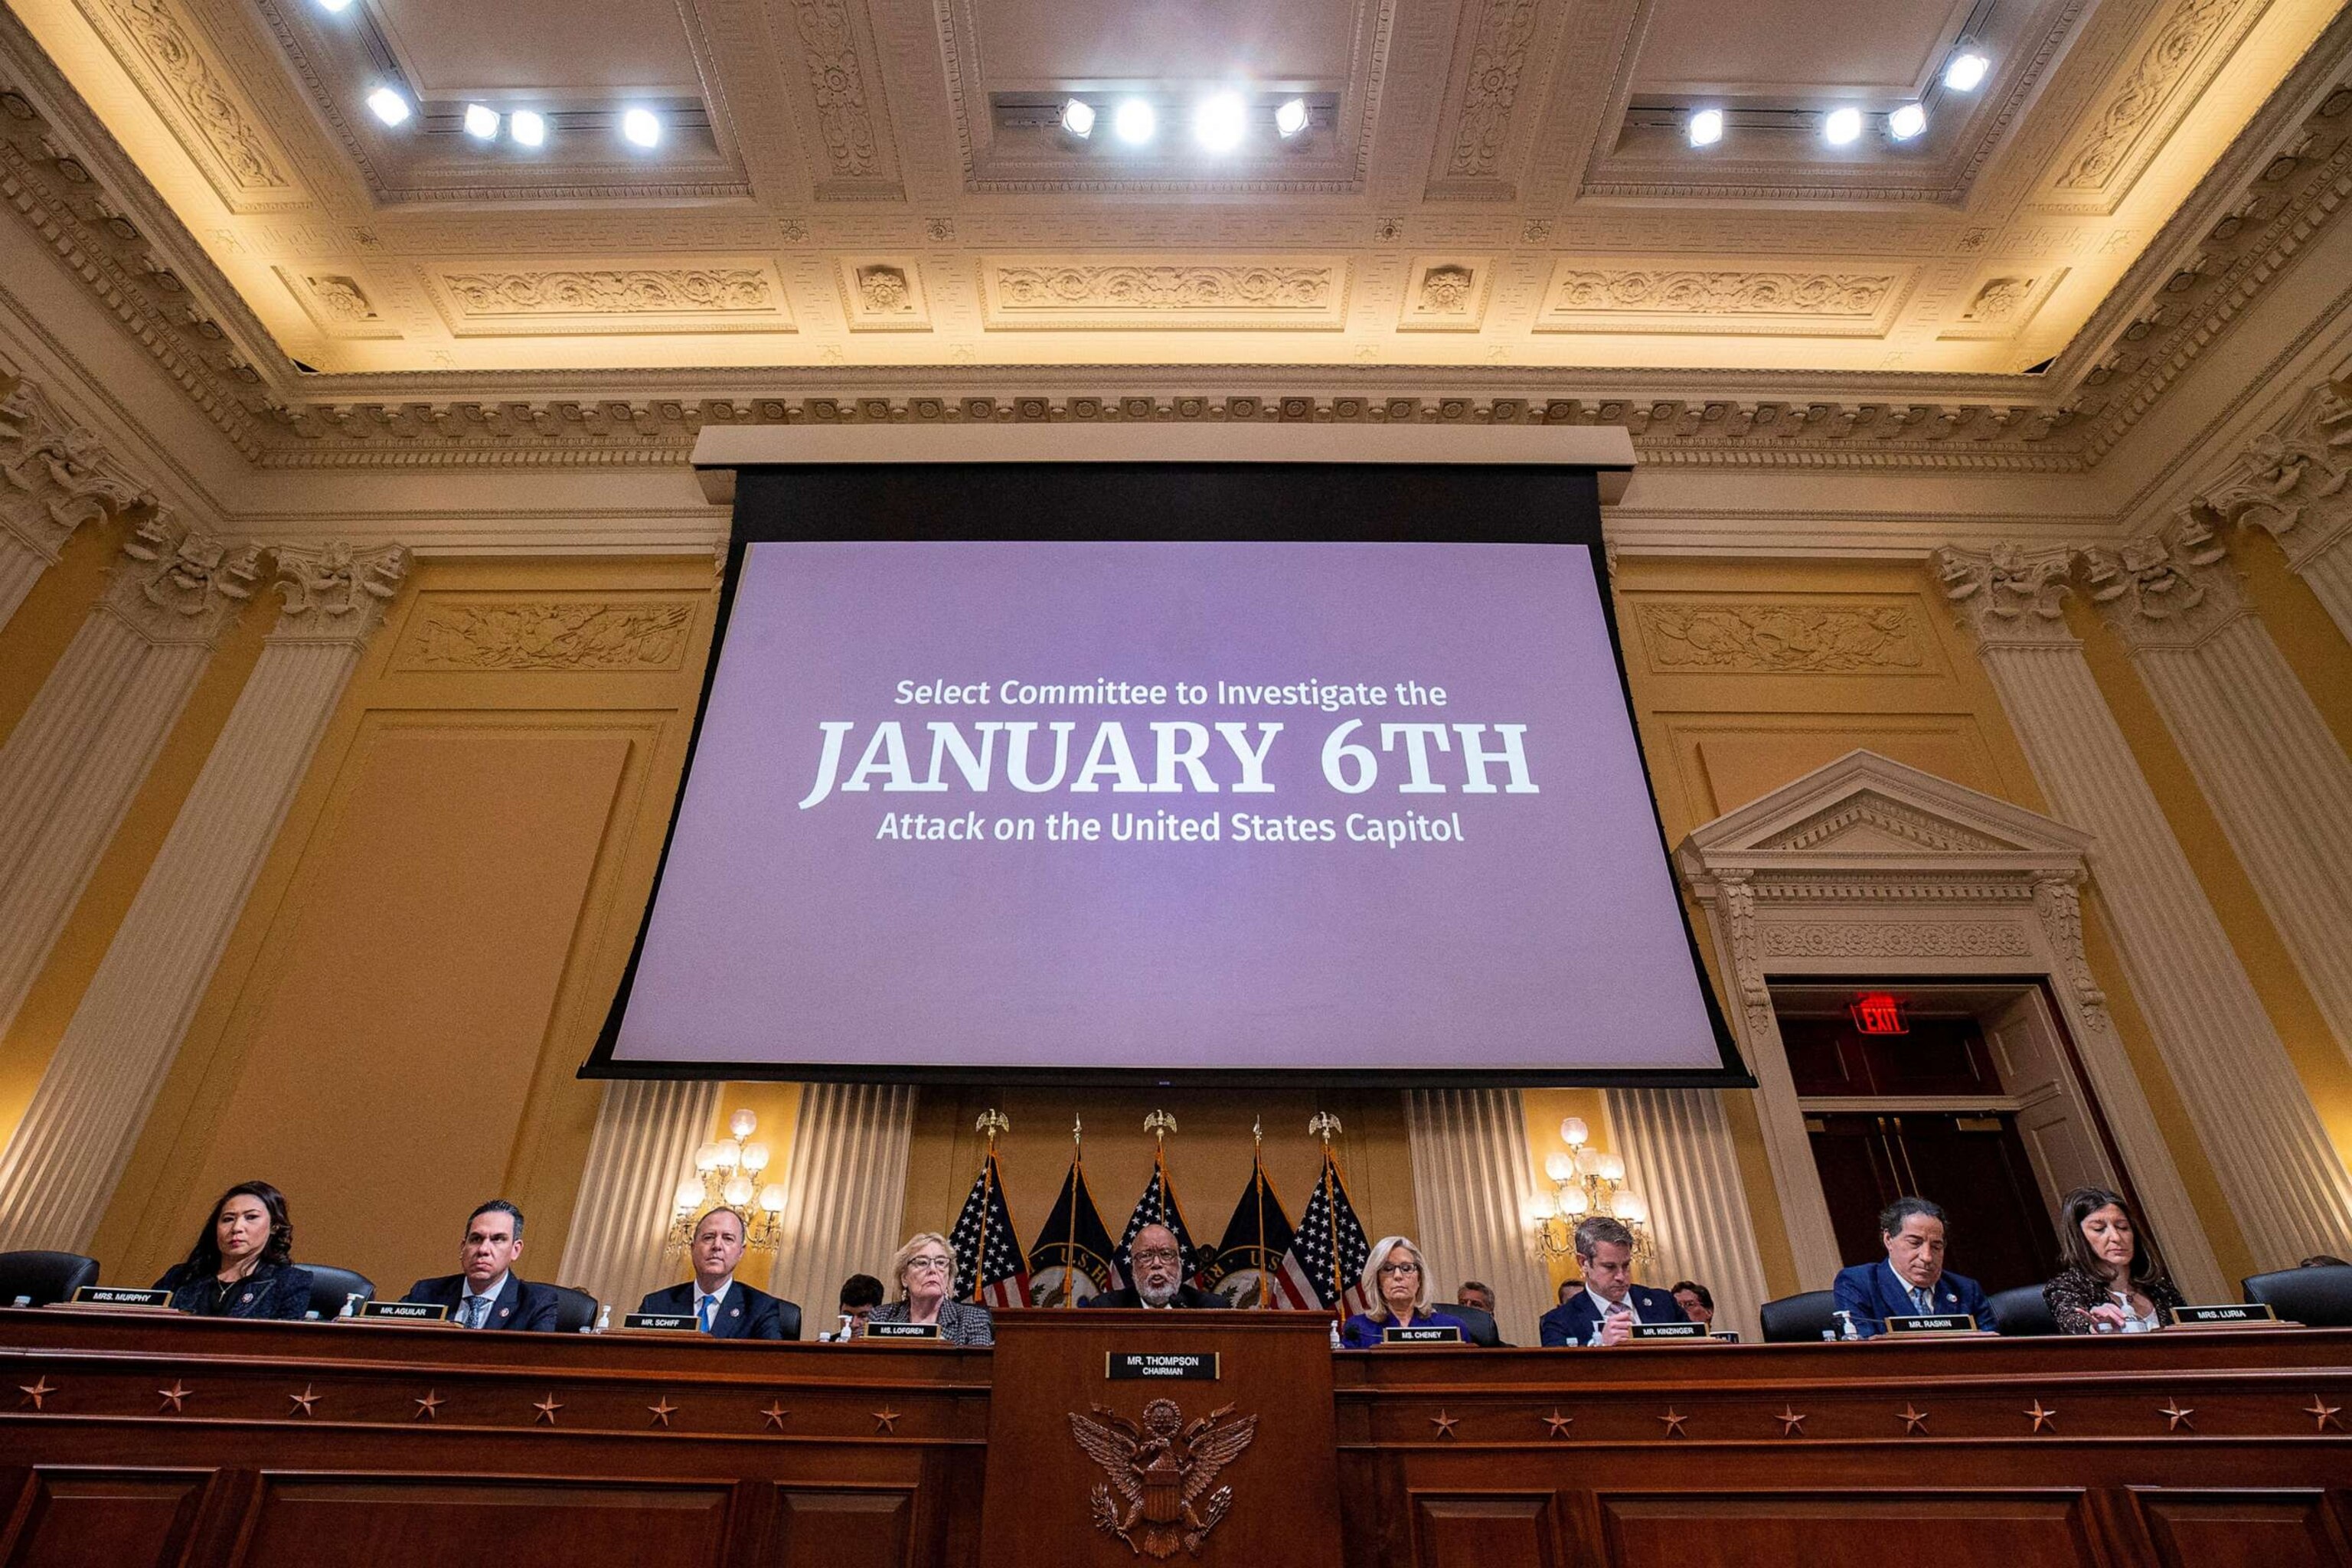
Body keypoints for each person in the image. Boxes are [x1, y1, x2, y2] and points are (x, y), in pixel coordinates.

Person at [1831, 1196, 1992, 1338]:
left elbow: (1993, 1352)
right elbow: (1864, 1354)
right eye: (1915, 1243)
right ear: (1889, 1240)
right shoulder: (1858, 1284)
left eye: (1936, 1246)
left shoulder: (1966, 1290)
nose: (1927, 1257)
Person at [153, 1180, 312, 1319]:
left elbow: (283, 1346)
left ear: (274, 1227)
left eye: (251, 1217)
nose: (236, 1228)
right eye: (228, 1219)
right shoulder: (179, 1277)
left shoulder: (290, 1282)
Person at [637, 1206, 796, 1339]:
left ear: (741, 1252)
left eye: (728, 1238)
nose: (717, 1246)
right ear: (692, 1248)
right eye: (708, 1237)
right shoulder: (656, 1305)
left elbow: (770, 1366)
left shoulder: (761, 1308)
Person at [2041, 1186, 2184, 1334]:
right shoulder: (2066, 1287)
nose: (2116, 1237)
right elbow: (2073, 1321)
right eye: (2099, 1229)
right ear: (2079, 1237)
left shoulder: (2161, 1288)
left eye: (2123, 1227)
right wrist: (2094, 1326)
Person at [402, 1199, 560, 1330]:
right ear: (463, 1248)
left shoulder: (537, 1303)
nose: (483, 1250)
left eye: (497, 1239)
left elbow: (532, 1364)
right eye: (476, 1239)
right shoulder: (425, 1294)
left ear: (515, 1250)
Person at [1540, 1216, 1687, 1345]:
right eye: (1610, 1267)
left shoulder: (1664, 1302)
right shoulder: (1559, 1321)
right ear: (1583, 1262)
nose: (1621, 1277)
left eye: (1626, 1265)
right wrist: (1599, 1345)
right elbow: (1558, 1372)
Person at [866, 1232, 993, 1345]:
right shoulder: (880, 1317)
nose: (933, 1269)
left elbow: (979, 1369)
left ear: (949, 1276)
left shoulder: (973, 1319)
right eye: (922, 1263)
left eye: (941, 1262)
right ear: (904, 1278)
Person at [1340, 1236, 1468, 1347]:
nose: (1398, 1276)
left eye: (1406, 1268)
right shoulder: (1358, 1328)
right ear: (1378, 1281)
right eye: (1388, 1269)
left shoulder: (1451, 1327)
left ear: (1419, 1279)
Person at [1082, 1223, 1231, 1308]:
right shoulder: (1108, 1309)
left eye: (1166, 1254)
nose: (1157, 1264)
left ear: (1179, 1264)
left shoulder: (1210, 1309)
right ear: (1133, 1268)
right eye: (1146, 1256)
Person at [1452, 1280, 1508, 1347]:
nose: (1467, 1308)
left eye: (1475, 1305)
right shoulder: (1447, 1348)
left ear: (1491, 1316)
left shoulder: (1509, 1352)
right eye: (1462, 1303)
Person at [834, 1272, 885, 1338]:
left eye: (863, 1316)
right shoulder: (824, 1346)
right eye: (847, 1315)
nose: (853, 1324)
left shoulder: (888, 1346)